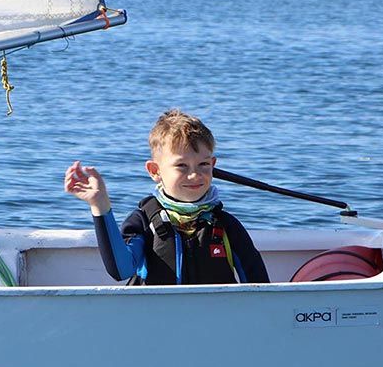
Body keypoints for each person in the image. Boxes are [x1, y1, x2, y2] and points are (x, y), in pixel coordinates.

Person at [64, 109, 269, 285]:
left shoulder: (226, 225)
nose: (195, 175)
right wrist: (100, 205)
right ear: (155, 170)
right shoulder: (143, 221)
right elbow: (120, 270)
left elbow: (259, 286)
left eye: (203, 165)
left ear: (213, 164)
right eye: (181, 166)